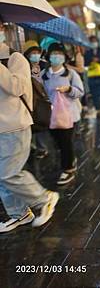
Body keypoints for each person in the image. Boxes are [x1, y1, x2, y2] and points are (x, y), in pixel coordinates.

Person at [0, 25, 59, 233]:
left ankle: (44, 198)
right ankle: (20, 214)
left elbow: (16, 88)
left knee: (9, 174)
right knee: (2, 175)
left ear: (3, 30)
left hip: (14, 126)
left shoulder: (15, 59)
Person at [41, 43, 84, 185]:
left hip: (69, 115)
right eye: (53, 54)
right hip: (50, 116)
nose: (56, 57)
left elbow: (80, 92)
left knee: (66, 143)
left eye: (59, 54)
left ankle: (68, 169)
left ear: (64, 57)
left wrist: (69, 89)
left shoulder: (71, 74)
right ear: (48, 57)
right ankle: (69, 160)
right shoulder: (44, 75)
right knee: (57, 142)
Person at [23, 40, 49, 159]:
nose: (35, 55)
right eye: (32, 53)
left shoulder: (45, 65)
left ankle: (42, 147)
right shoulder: (24, 66)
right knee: (31, 123)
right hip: (30, 98)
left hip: (43, 98)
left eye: (37, 52)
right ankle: (31, 147)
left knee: (41, 121)